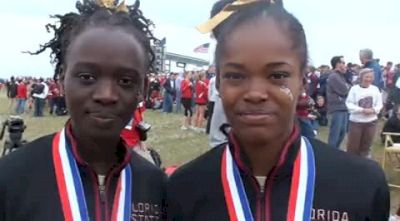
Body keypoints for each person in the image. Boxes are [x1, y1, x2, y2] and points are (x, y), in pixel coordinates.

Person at [167, 0, 389, 220]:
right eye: (235, 75)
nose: (255, 93)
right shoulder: (184, 187)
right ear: (218, 84)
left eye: (278, 75)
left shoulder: (362, 185)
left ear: (302, 81)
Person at [0, 1, 166, 220]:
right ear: (61, 79)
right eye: (87, 77)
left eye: (125, 81)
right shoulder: (11, 177)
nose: (106, 94)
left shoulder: (156, 186)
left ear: (142, 89)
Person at [346, 68, 383, 158]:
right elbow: (349, 104)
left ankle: (364, 165)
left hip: (371, 122)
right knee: (353, 146)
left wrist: (373, 110)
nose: (368, 79)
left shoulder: (375, 89)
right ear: (361, 77)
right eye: (366, 77)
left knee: (366, 145)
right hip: (356, 122)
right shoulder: (354, 89)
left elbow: (379, 104)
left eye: (370, 77)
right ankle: (351, 164)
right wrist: (361, 110)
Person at [326, 56, 351, 149]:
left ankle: (335, 151)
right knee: (335, 134)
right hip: (336, 108)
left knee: (342, 132)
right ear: (337, 64)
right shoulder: (334, 76)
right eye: (343, 63)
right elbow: (345, 90)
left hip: (343, 107)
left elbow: (348, 88)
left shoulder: (341, 76)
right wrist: (348, 87)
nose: (345, 65)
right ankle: (331, 153)